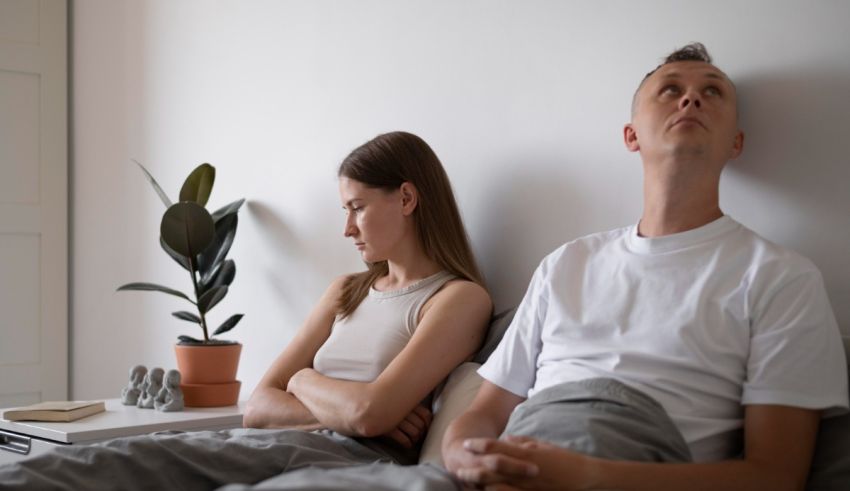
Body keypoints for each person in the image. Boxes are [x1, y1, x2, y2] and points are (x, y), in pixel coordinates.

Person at [442, 43, 849, 491]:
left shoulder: (780, 277)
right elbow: (484, 412)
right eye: (670, 89)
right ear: (631, 135)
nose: (690, 99)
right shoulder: (567, 263)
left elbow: (775, 476)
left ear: (736, 142)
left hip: (629, 462)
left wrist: (586, 476)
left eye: (712, 93)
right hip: (511, 461)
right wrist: (462, 454)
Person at [0, 131, 491, 490]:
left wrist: (301, 381)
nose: (347, 228)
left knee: (115, 469)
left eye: (356, 207)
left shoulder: (457, 298)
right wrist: (344, 405)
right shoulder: (346, 290)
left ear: (406, 197)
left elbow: (367, 415)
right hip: (281, 445)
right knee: (115, 456)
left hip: (340, 459)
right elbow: (259, 407)